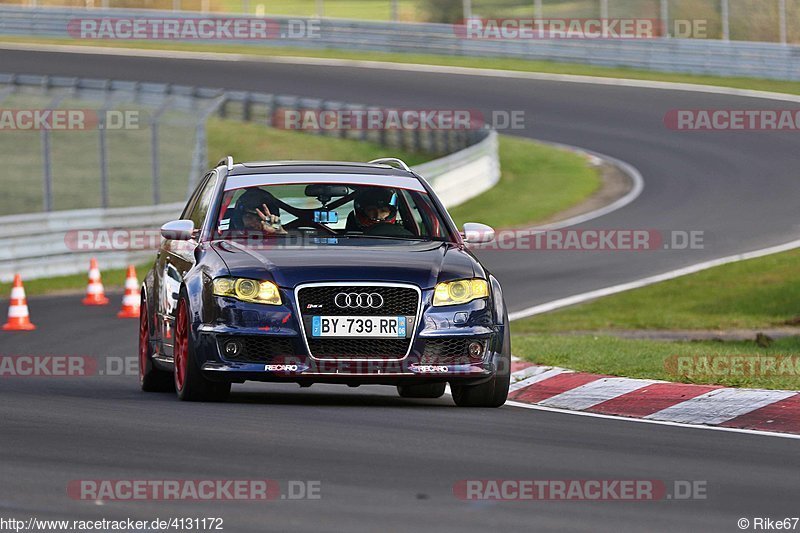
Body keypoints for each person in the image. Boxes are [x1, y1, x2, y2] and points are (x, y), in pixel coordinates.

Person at [346, 187, 413, 237]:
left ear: (391, 212)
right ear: (361, 212)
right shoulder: (349, 241)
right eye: (371, 210)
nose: (378, 215)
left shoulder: (406, 238)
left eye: (383, 211)